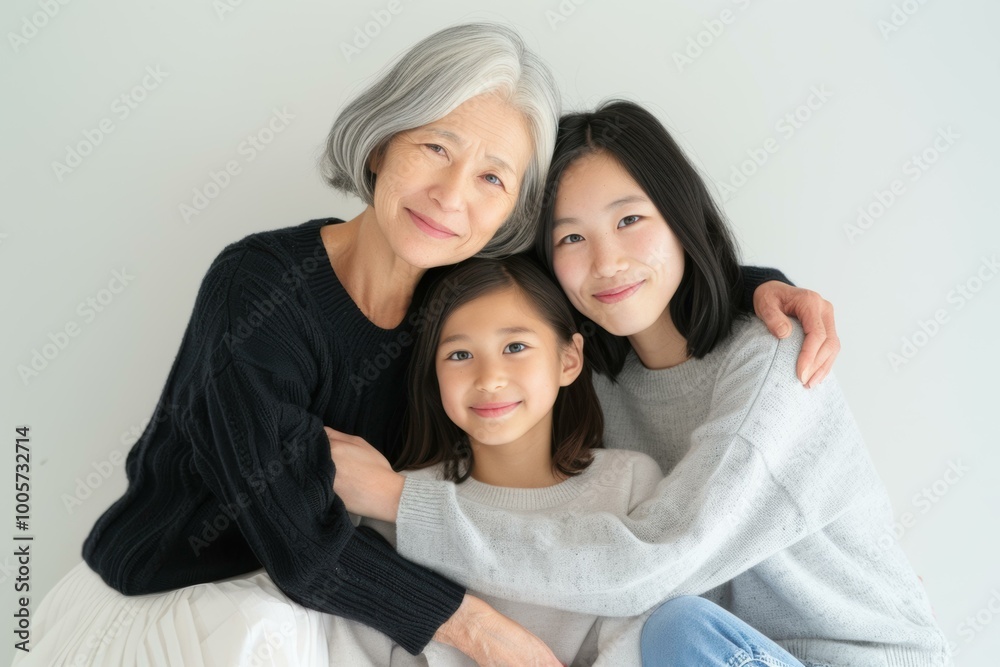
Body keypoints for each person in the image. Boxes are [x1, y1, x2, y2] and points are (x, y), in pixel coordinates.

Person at [19, 23, 836, 666]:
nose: (453, 197)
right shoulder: (257, 288)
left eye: (493, 178)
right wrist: (485, 635)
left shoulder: (464, 294)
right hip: (194, 595)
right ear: (382, 142)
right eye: (435, 148)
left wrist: (750, 288)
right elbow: (302, 548)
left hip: (345, 611)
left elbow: (611, 279)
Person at [331, 102, 951, 667]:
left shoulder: (773, 361)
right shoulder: (595, 380)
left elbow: (648, 565)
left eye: (630, 220)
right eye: (571, 237)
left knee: (676, 627)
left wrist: (398, 501)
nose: (606, 262)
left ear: (682, 219)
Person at [322, 254, 670, 665]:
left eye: (516, 346)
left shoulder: (629, 483)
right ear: (434, 375)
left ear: (568, 359)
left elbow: (646, 637)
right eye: (459, 355)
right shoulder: (390, 504)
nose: (489, 378)